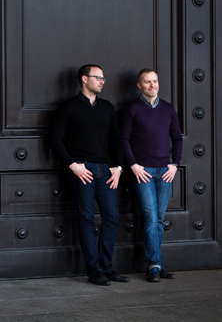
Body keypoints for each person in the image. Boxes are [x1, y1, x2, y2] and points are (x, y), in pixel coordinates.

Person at [51, 64, 128, 286]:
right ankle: (94, 270)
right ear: (84, 79)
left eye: (104, 78)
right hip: (81, 170)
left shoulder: (107, 107)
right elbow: (55, 139)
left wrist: (119, 167)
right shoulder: (69, 107)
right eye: (98, 77)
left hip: (105, 170)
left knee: (112, 216)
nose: (103, 81)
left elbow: (116, 140)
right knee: (86, 217)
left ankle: (107, 267)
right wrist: (73, 165)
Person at [120, 68, 183, 282]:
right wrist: (134, 166)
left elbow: (177, 138)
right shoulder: (132, 109)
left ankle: (155, 264)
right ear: (139, 85)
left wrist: (175, 164)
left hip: (165, 171)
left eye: (155, 81)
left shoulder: (168, 109)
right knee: (150, 218)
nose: (152, 85)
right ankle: (154, 265)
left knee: (159, 220)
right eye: (147, 82)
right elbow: (124, 140)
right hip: (143, 172)